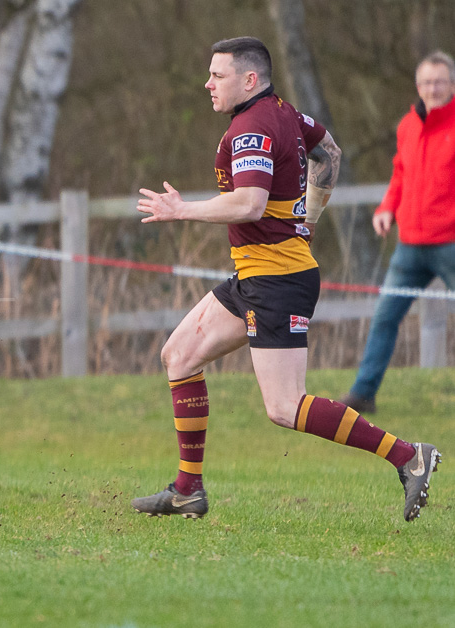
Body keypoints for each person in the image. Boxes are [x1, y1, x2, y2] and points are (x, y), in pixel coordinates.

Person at [132, 37, 440, 521]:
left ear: (249, 79)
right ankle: (188, 490)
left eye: (218, 75)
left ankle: (409, 456)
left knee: (284, 406)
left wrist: (182, 210)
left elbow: (250, 203)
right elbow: (330, 152)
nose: (208, 84)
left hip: (277, 281)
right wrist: (308, 220)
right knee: (179, 355)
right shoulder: (285, 112)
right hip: (256, 274)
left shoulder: (252, 127)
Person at [341, 51, 455, 414]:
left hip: (450, 243)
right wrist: (387, 208)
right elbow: (400, 173)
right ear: (418, 86)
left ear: (451, 85)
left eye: (439, 82)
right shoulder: (408, 125)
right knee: (385, 317)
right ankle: (363, 394)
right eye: (427, 82)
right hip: (409, 247)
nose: (432, 89)